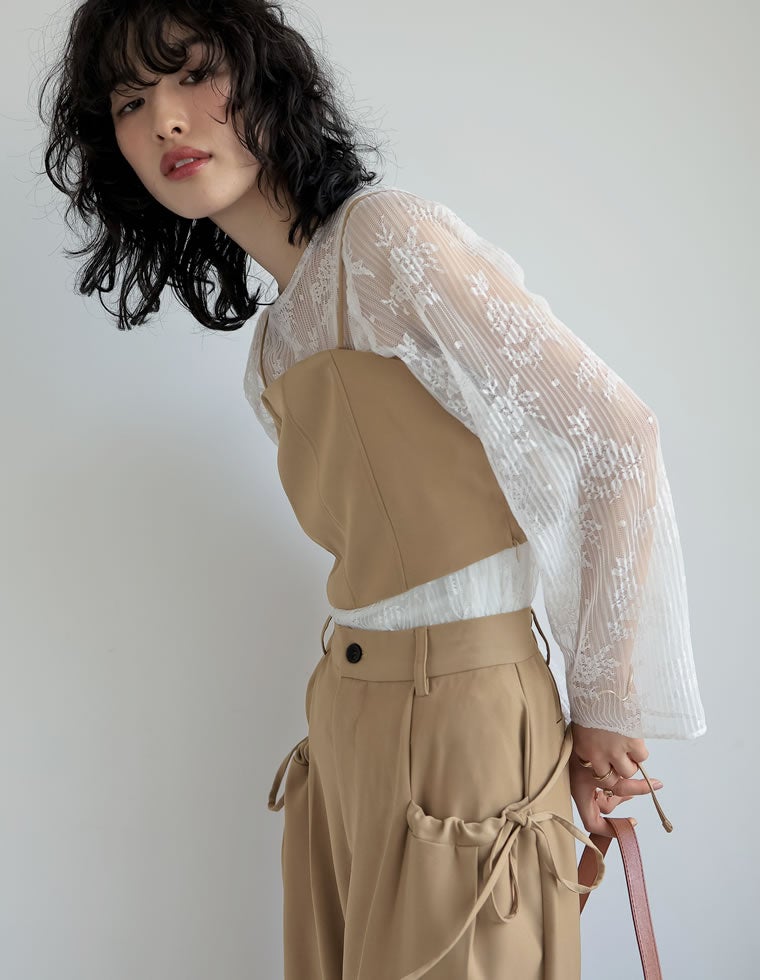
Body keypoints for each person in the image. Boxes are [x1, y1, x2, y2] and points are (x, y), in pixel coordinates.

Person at [37, 1, 706, 977]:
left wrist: (608, 701)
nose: (166, 119)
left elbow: (615, 436)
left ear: (266, 79)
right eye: (131, 101)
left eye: (192, 73)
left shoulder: (386, 241)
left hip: (466, 711)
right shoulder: (273, 345)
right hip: (345, 716)